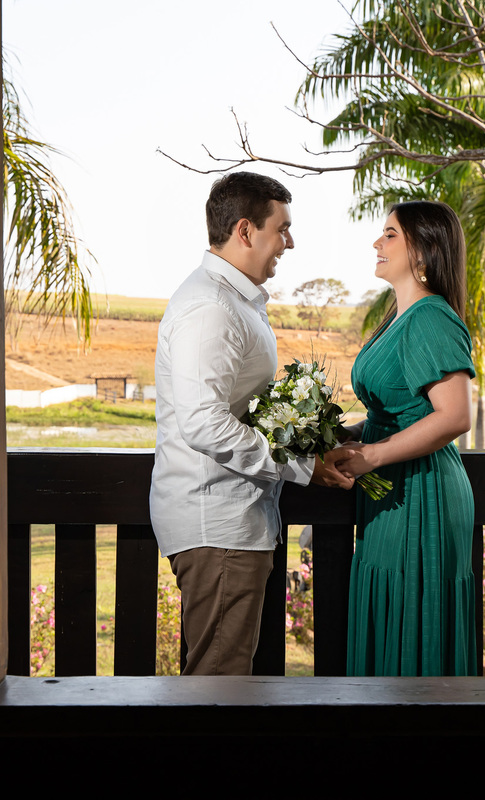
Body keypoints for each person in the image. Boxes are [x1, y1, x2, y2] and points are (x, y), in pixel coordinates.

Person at [149, 171, 354, 676]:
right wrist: (301, 463)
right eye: (281, 228)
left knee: (232, 680)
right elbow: (202, 422)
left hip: (235, 520)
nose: (289, 242)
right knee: (218, 683)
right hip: (217, 523)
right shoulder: (210, 308)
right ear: (245, 230)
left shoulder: (232, 299)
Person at [337, 200, 477, 676]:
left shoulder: (431, 317)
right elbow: (398, 411)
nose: (378, 242)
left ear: (423, 251)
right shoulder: (400, 318)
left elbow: (455, 415)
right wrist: (345, 435)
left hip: (421, 492)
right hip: (390, 488)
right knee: (390, 603)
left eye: (391, 234)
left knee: (414, 611)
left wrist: (374, 454)